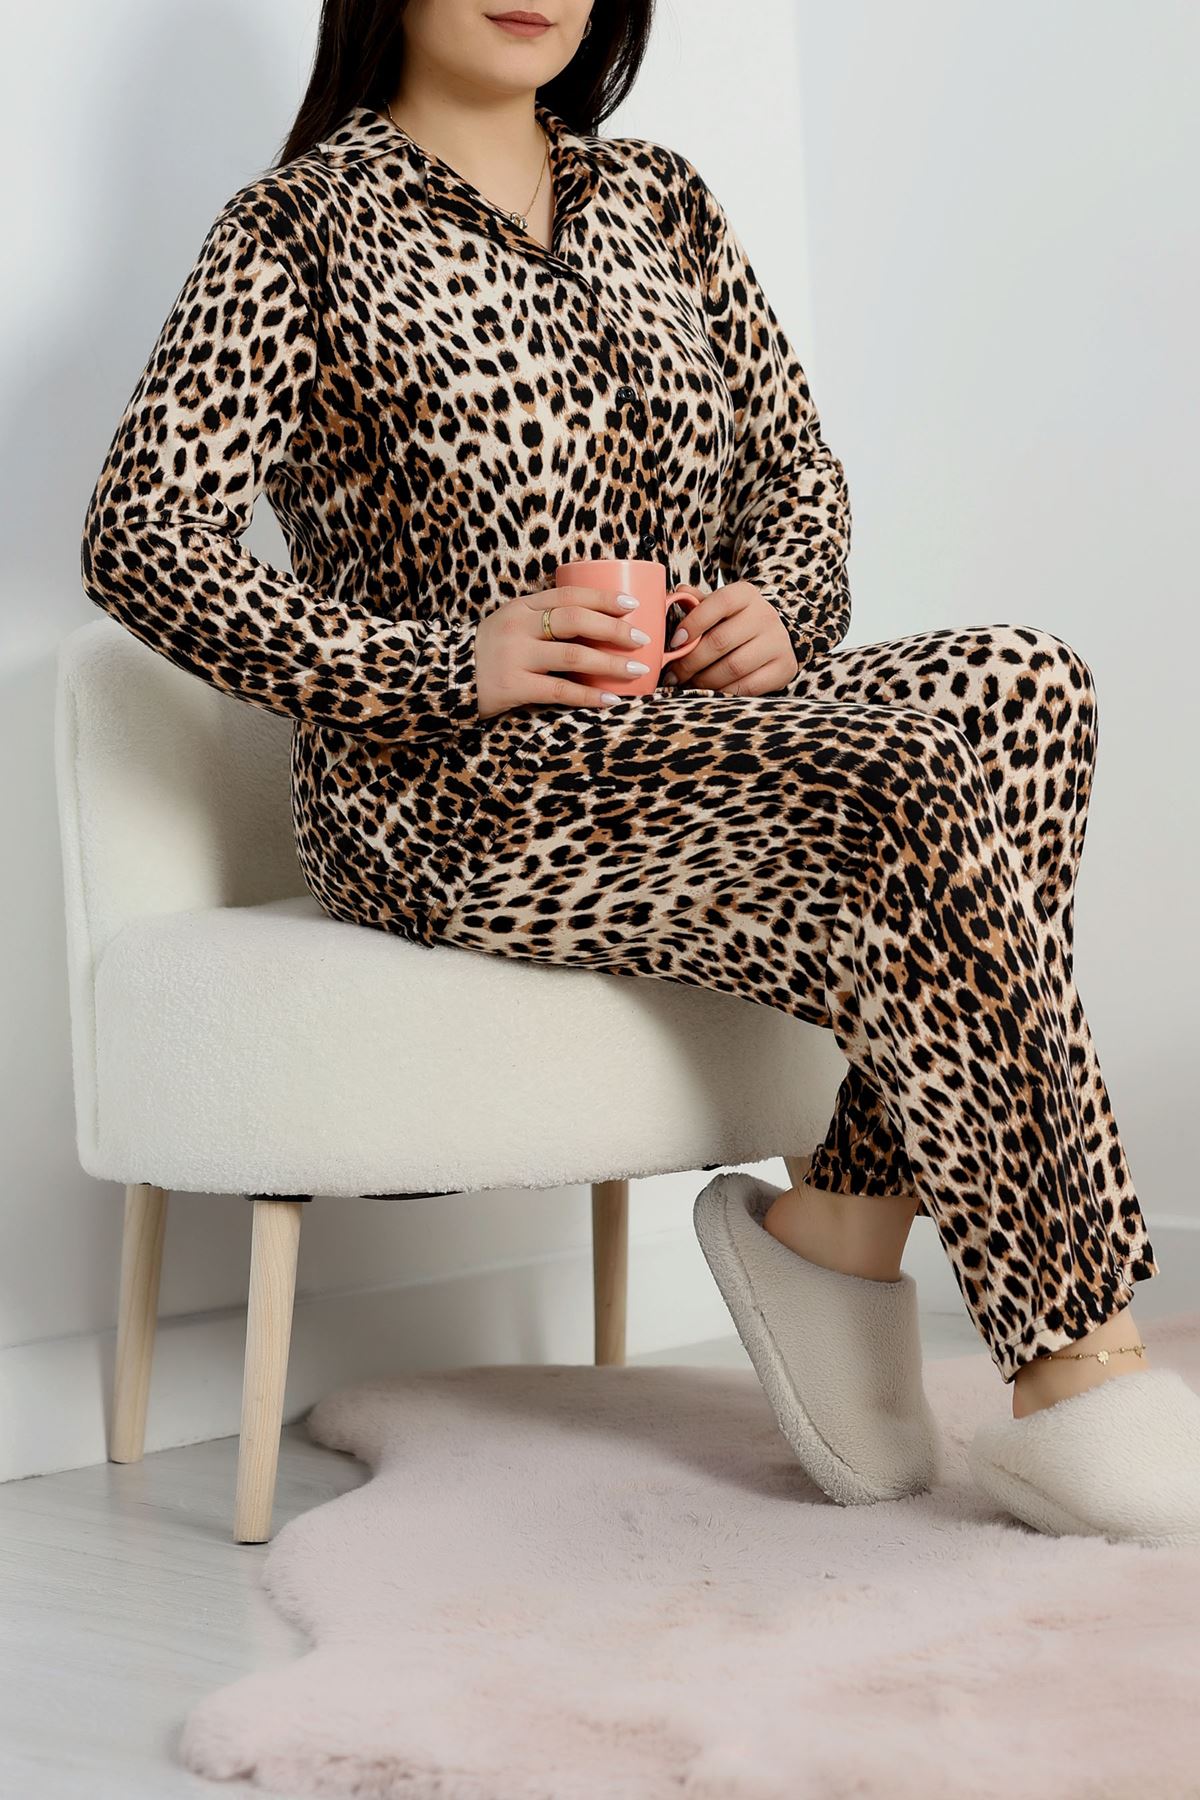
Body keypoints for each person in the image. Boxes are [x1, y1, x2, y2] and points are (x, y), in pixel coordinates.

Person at [79, 0, 1200, 1544]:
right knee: (906, 776)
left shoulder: (658, 198)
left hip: (683, 744)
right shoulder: (300, 230)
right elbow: (139, 536)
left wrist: (776, 610)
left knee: (1020, 688)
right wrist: (449, 663)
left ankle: (842, 1231)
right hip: (455, 798)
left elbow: (795, 472)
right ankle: (1076, 1359)